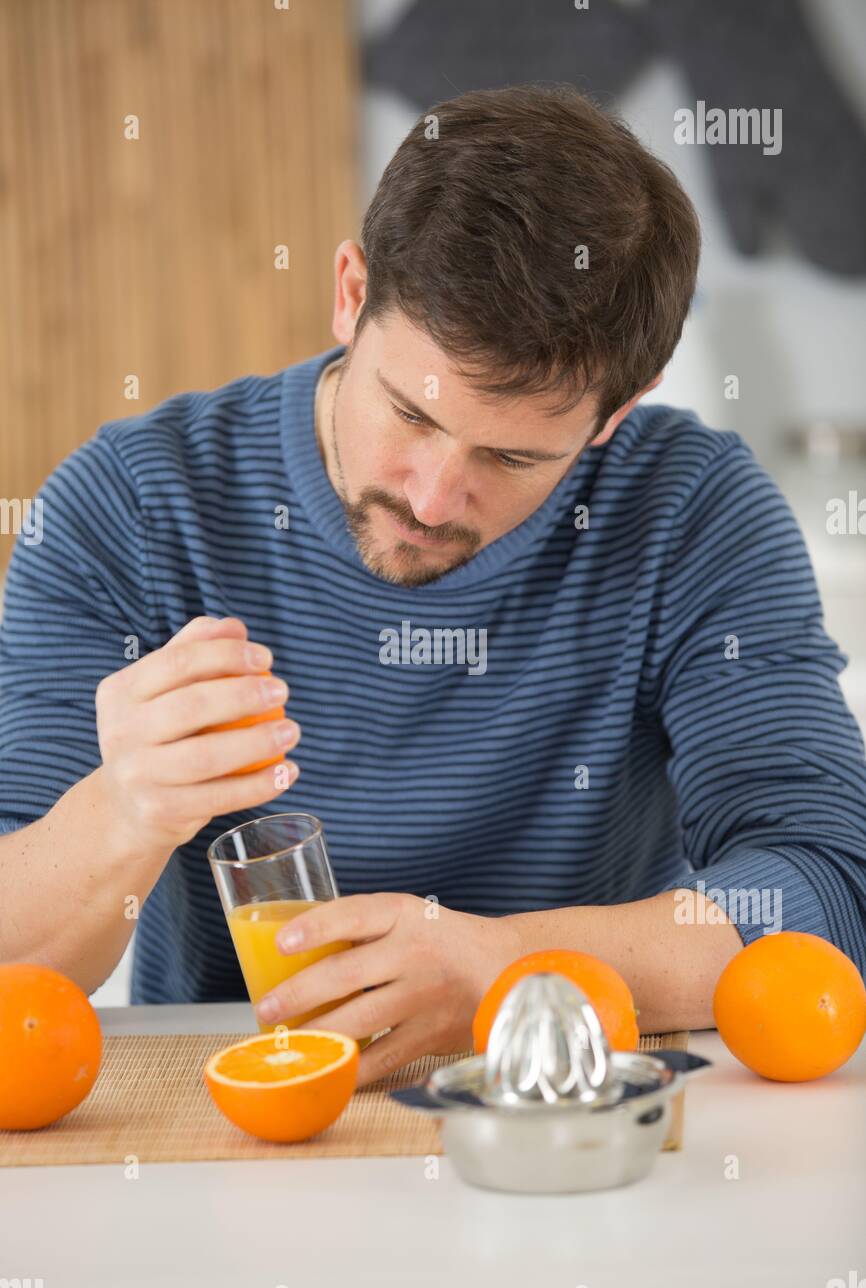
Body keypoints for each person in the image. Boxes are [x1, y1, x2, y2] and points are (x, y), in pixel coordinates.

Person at [1, 85, 864, 1085]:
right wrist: (124, 810)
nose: (430, 495)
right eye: (409, 413)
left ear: (613, 418)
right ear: (347, 291)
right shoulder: (133, 507)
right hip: (255, 1117)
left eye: (509, 457)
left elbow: (825, 889)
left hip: (581, 1107)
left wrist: (508, 970)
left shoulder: (691, 512)